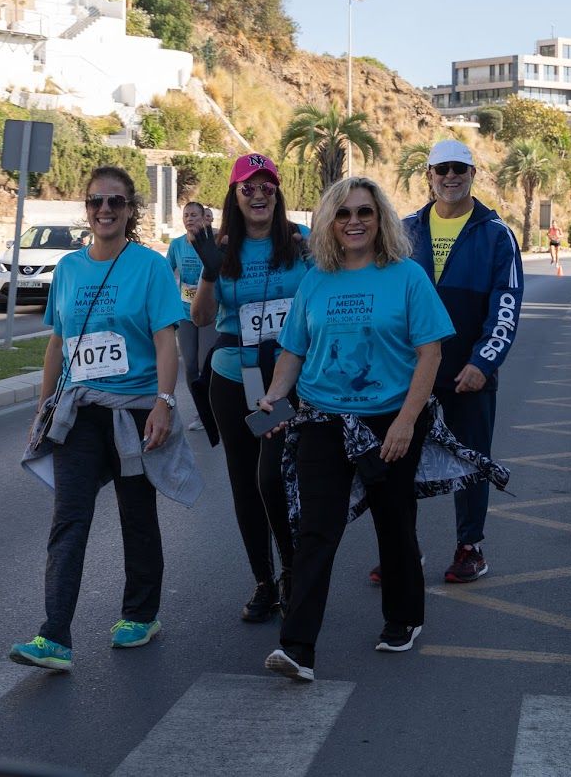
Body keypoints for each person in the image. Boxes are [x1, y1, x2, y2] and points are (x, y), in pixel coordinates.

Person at [258, 176, 455, 682]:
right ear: (329, 222)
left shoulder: (407, 277)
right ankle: (298, 647)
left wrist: (407, 423)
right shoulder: (316, 280)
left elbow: (430, 352)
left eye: (364, 212)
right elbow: (293, 351)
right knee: (316, 530)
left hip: (389, 418)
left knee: (394, 523)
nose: (354, 222)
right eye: (343, 214)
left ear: (380, 219)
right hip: (323, 419)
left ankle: (404, 618)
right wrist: (276, 395)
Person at [12, 165, 196, 672]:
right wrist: (43, 406)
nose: (105, 211)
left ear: (130, 209)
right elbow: (57, 342)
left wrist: (165, 401)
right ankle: (55, 636)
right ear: (86, 209)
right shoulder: (69, 269)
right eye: (96, 202)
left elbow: (166, 339)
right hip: (80, 413)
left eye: (115, 202)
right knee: (70, 518)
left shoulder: (150, 267)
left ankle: (141, 614)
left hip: (135, 414)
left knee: (137, 518)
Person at [190, 153, 310, 621]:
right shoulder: (222, 249)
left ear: (277, 195)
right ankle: (264, 580)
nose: (258, 194)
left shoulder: (299, 246)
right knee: (244, 482)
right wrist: (210, 270)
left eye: (267, 187)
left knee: (274, 477)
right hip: (231, 375)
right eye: (248, 188)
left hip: (286, 380)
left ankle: (292, 570)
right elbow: (200, 319)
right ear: (235, 196)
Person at [400, 139, 523, 583]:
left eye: (460, 168)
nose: (451, 176)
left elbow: (506, 305)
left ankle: (470, 548)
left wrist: (483, 362)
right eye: (442, 169)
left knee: (471, 461)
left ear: (474, 175)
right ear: (429, 176)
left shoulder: (495, 234)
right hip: (411, 373)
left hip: (468, 372)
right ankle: (403, 549)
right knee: (399, 458)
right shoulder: (406, 229)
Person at [166, 201, 216, 434]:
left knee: (206, 362)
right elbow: (166, 275)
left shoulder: (212, 241)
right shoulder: (176, 245)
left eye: (194, 214)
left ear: (203, 217)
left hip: (209, 313)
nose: (189, 219)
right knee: (190, 366)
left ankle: (213, 411)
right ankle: (200, 411)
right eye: (186, 215)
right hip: (185, 313)